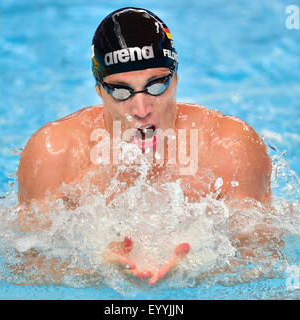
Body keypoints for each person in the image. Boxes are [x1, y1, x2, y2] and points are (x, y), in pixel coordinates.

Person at [16, 7, 272, 285]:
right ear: (100, 90)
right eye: (121, 90)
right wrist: (94, 270)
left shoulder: (228, 144)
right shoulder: (55, 152)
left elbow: (265, 259)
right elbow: (26, 265)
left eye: (155, 86)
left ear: (175, 78)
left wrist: (198, 270)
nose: (141, 109)